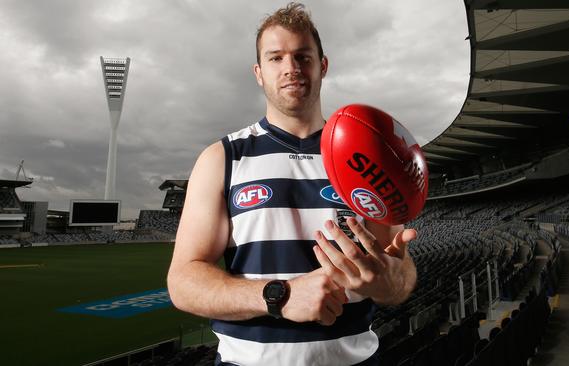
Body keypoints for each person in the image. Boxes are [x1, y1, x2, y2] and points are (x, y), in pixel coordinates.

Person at [166, 3, 417, 365]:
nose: (291, 68)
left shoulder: (365, 156)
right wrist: (279, 296)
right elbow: (183, 282)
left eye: (302, 56)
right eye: (276, 58)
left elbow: (400, 276)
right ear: (258, 72)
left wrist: (388, 281)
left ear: (323, 65)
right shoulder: (222, 159)